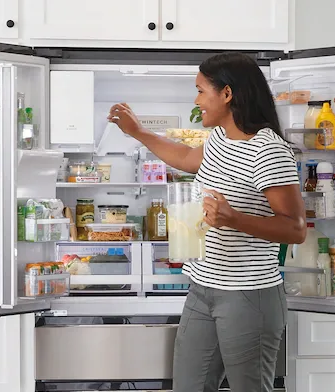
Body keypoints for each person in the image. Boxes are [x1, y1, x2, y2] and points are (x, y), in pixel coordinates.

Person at [108, 52, 306, 392]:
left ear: (227, 94)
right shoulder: (219, 139)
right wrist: (137, 132)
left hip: (248, 294)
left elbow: (295, 228)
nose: (196, 100)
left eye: (201, 91)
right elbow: (185, 158)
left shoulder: (267, 151)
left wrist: (234, 218)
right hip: (203, 288)